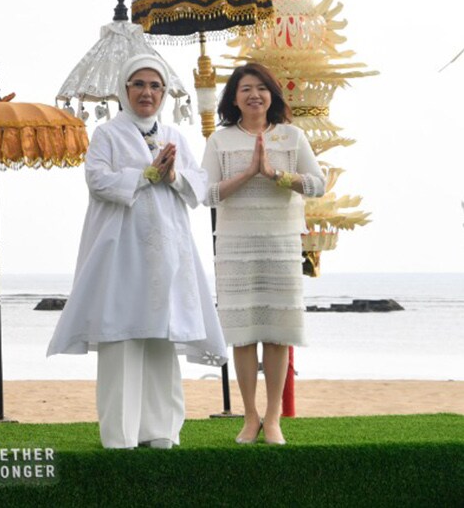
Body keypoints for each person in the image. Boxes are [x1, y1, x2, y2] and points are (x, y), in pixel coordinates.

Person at [46, 54, 228, 450]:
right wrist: (147, 175)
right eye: (139, 85)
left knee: (163, 337)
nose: (147, 93)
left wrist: (172, 175)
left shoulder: (175, 135)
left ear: (164, 93)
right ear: (125, 90)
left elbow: (199, 185)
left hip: (168, 252)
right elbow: (98, 180)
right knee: (123, 336)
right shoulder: (107, 134)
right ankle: (121, 435)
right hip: (122, 252)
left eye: (155, 86)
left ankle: (160, 430)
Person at [202, 61, 325, 446]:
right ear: (234, 99)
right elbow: (205, 194)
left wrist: (275, 175)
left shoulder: (291, 136)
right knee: (243, 334)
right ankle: (250, 416)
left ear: (271, 95)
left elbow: (318, 185)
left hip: (280, 243)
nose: (254, 95)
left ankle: (273, 418)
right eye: (246, 89)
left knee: (276, 332)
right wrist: (247, 174)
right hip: (235, 245)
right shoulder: (220, 141)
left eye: (261, 88)